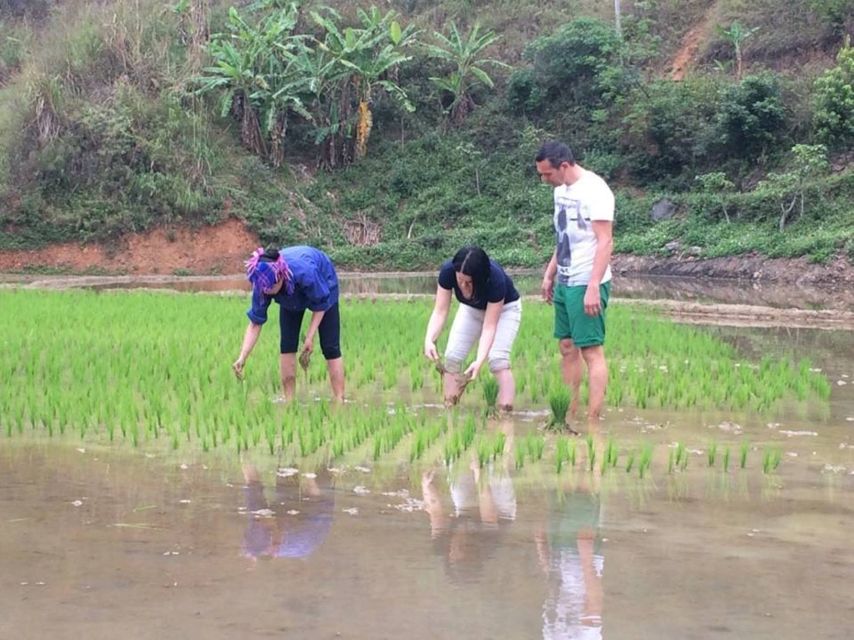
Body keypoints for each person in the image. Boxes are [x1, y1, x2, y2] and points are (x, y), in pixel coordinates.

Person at [535, 141, 614, 426]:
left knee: (591, 350)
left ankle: (593, 419)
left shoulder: (596, 191)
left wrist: (593, 285)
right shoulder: (560, 191)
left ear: (564, 166)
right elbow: (563, 236)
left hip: (586, 280)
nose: (544, 180)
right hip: (565, 278)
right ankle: (568, 412)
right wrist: (549, 273)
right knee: (567, 346)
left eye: (547, 174)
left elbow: (605, 240)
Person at [232, 246, 344, 402]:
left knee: (330, 346)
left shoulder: (306, 272)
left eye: (271, 287)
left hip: (324, 283)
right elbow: (255, 323)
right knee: (287, 345)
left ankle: (339, 399)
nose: (267, 291)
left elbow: (321, 304)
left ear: (281, 276)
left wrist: (309, 337)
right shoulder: (262, 283)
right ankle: (289, 401)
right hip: (290, 299)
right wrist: (242, 357)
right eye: (264, 289)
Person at [423, 246, 522, 411]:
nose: (462, 286)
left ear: (480, 278)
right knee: (452, 358)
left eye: (468, 282)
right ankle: (450, 407)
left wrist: (479, 360)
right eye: (459, 280)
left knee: (498, 360)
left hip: (505, 310)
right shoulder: (448, 271)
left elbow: (489, 327)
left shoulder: (495, 279)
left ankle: (505, 412)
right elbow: (440, 311)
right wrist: (429, 339)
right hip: (471, 309)